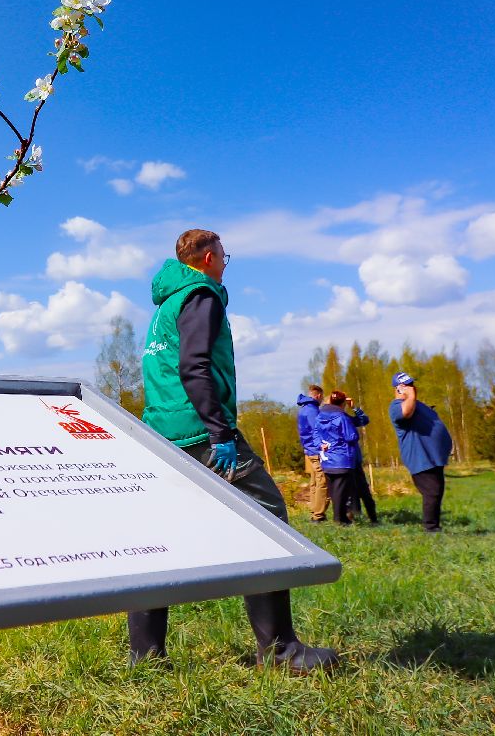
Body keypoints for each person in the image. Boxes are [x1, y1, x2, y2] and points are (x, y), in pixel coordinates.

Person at [129, 230, 339, 673]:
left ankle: (145, 657)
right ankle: (282, 651)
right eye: (225, 256)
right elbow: (194, 366)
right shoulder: (201, 294)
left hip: (164, 434)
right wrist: (221, 432)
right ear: (208, 258)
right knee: (268, 521)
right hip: (203, 434)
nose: (226, 263)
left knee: (158, 540)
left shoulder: (166, 302)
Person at [388, 372, 453, 533]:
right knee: (432, 492)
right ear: (399, 389)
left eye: (412, 384)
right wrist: (410, 396)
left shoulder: (417, 404)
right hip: (420, 457)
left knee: (437, 492)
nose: (412, 388)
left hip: (434, 457)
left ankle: (433, 526)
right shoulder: (396, 406)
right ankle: (430, 528)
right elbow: (406, 413)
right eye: (408, 385)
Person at [315, 391, 373, 525]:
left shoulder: (321, 417)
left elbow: (363, 421)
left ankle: (346, 516)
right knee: (350, 490)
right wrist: (354, 408)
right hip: (345, 459)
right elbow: (352, 436)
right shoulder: (342, 417)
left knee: (336, 490)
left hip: (328, 460)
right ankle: (342, 519)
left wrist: (321, 444)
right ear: (343, 403)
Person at [295, 383, 329, 523]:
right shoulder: (313, 410)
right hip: (316, 450)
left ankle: (315, 510)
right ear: (318, 396)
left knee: (315, 481)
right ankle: (318, 515)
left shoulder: (304, 409)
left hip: (309, 450)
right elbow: (318, 430)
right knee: (322, 481)